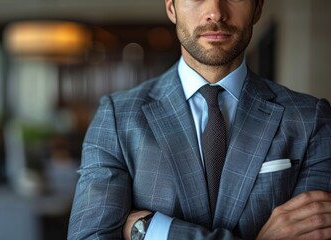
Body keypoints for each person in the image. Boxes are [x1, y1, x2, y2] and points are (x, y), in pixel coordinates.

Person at [68, 0, 331, 239]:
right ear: (171, 8)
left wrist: (153, 230)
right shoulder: (116, 116)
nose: (216, 12)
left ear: (258, 8)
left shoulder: (311, 118)